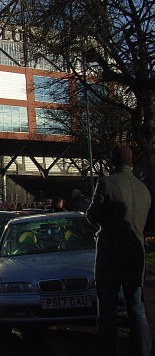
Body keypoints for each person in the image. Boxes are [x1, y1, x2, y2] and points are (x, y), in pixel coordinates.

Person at [86, 145, 152, 356]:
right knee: (137, 308)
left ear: (112, 161)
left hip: (110, 257)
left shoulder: (105, 183)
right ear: (131, 162)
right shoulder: (143, 188)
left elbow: (92, 217)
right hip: (136, 255)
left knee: (107, 311)